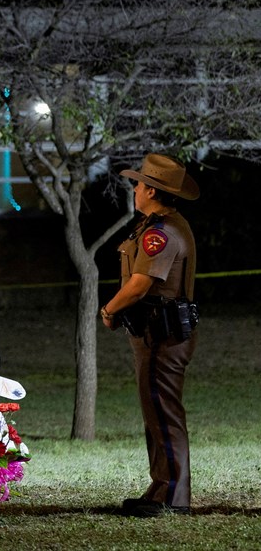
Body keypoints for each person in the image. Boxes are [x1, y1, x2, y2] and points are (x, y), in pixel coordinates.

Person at [100, 153, 200, 518]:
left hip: (163, 335)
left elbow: (140, 285)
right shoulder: (156, 225)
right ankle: (161, 489)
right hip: (155, 333)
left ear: (153, 192)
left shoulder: (161, 233)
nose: (135, 189)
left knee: (164, 413)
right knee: (156, 413)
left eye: (140, 184)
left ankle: (174, 497)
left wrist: (110, 309)